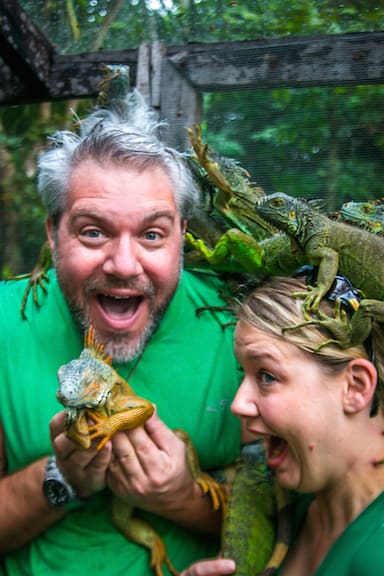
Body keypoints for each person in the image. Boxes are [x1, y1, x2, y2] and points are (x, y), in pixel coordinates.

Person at [0, 91, 242, 574]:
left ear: (182, 236)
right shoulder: (6, 321)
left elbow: (299, 517)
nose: (125, 265)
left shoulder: (237, 322)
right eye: (93, 231)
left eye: (152, 234)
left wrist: (180, 496)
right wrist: (61, 475)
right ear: (53, 233)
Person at [181, 275, 384, 576]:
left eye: (267, 376)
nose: (238, 405)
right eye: (243, 374)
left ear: (354, 386)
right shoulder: (291, 502)